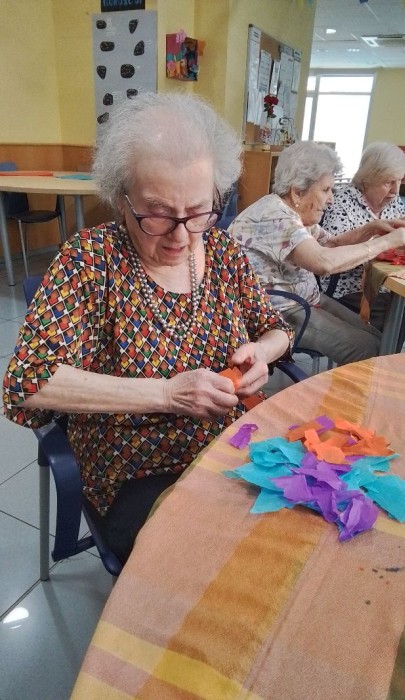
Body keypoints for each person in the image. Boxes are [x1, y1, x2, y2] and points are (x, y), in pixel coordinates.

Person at [2, 93, 293, 565]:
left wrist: (262, 352)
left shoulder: (224, 253)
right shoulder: (91, 261)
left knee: (289, 542)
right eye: (157, 214)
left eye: (198, 211)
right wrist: (168, 394)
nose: (181, 236)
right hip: (134, 465)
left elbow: (275, 328)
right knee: (209, 562)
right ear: (122, 198)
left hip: (232, 445)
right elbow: (27, 380)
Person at [228, 140, 405, 366]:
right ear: (297, 192)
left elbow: (331, 243)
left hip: (307, 298)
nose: (331, 199)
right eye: (326, 190)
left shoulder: (294, 213)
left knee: (379, 339)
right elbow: (322, 262)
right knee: (371, 349)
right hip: (280, 312)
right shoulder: (274, 216)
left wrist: (373, 228)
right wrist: (384, 242)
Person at [321, 141, 405, 350]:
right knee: (397, 324)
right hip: (350, 286)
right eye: (389, 182)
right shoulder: (340, 202)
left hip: (392, 283)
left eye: (399, 181)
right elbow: (332, 250)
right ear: (368, 178)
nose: (395, 190)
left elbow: (399, 236)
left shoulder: (393, 201)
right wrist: (376, 235)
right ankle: (379, 369)